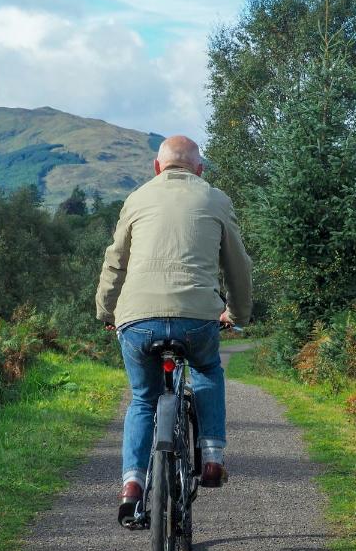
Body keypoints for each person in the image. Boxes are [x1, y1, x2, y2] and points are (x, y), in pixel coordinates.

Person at [95, 135, 253, 524]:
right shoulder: (216, 198)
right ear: (199, 170)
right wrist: (238, 313)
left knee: (144, 400)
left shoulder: (136, 199)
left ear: (157, 167)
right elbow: (238, 266)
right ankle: (212, 458)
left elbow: (114, 262)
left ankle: (132, 486)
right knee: (207, 370)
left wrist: (106, 311)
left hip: (138, 319)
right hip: (198, 317)